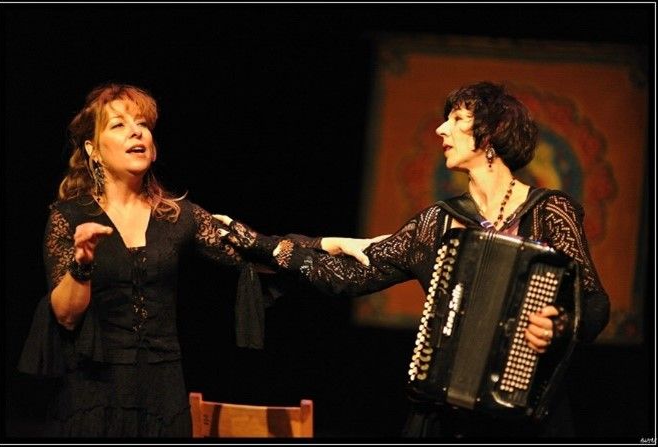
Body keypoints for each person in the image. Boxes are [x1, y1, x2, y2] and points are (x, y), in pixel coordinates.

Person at [213, 81, 610, 438]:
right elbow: (348, 276)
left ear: (490, 133)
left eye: (457, 119)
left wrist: (557, 325)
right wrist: (265, 245)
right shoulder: (436, 222)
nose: (441, 129)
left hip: (526, 418)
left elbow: (593, 302)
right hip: (447, 416)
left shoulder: (549, 211)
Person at [16, 83, 379, 438]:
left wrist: (329, 243)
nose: (136, 132)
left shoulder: (178, 216)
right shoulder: (69, 216)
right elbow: (65, 315)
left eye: (142, 124)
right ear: (93, 150)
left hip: (162, 396)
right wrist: (82, 261)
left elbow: (256, 251)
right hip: (92, 394)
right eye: (119, 124)